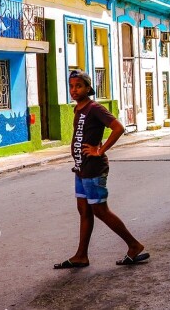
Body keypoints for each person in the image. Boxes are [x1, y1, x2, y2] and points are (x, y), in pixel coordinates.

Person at [54, 70, 149, 269]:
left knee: (100, 210)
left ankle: (134, 245)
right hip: (81, 168)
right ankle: (81, 255)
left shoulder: (95, 108)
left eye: (78, 86)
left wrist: (100, 149)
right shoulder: (78, 109)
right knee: (84, 210)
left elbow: (118, 128)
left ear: (88, 88)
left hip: (94, 169)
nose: (74, 90)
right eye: (71, 86)